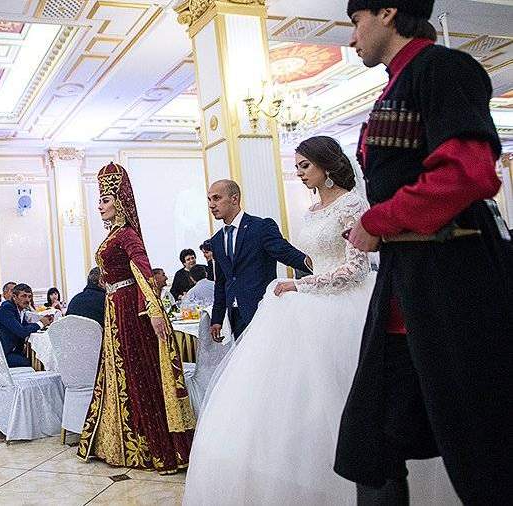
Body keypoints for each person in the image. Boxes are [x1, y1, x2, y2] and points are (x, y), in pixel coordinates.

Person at [185, 136, 454, 504]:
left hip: (345, 305)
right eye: (296, 167)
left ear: (326, 165)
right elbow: (309, 258)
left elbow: (356, 269)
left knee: (343, 394)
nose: (299, 173)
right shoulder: (311, 211)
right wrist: (300, 285)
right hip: (306, 302)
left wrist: (300, 285)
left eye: (305, 166)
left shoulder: (352, 204)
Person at [338, 2, 513, 503]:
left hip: (455, 281)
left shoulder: (444, 68)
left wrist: (377, 221)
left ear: (388, 12)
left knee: (485, 449)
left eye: (356, 21)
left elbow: (467, 173)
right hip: (405, 281)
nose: (352, 37)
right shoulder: (397, 83)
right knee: (369, 443)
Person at [77, 162, 194, 475]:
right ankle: (122, 442)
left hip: (129, 308)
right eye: (99, 200)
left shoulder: (127, 235)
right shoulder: (115, 234)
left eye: (105, 200)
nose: (99, 206)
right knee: (123, 372)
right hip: (115, 305)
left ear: (119, 202)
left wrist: (154, 310)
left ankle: (154, 447)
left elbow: (142, 270)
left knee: (138, 372)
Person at [207, 180, 311, 340]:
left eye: (217, 198)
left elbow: (288, 254)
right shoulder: (216, 240)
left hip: (263, 311)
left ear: (234, 199)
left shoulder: (261, 227)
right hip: (235, 316)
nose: (211, 205)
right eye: (209, 200)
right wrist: (217, 319)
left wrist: (320, 266)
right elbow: (221, 282)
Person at [0, 284, 52, 367]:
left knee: (33, 359)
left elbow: (25, 327)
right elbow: (22, 332)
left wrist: (43, 323)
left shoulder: (19, 310)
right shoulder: (7, 308)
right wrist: (41, 323)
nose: (27, 300)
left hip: (6, 351)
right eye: (24, 296)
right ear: (14, 297)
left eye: (29, 297)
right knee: (32, 362)